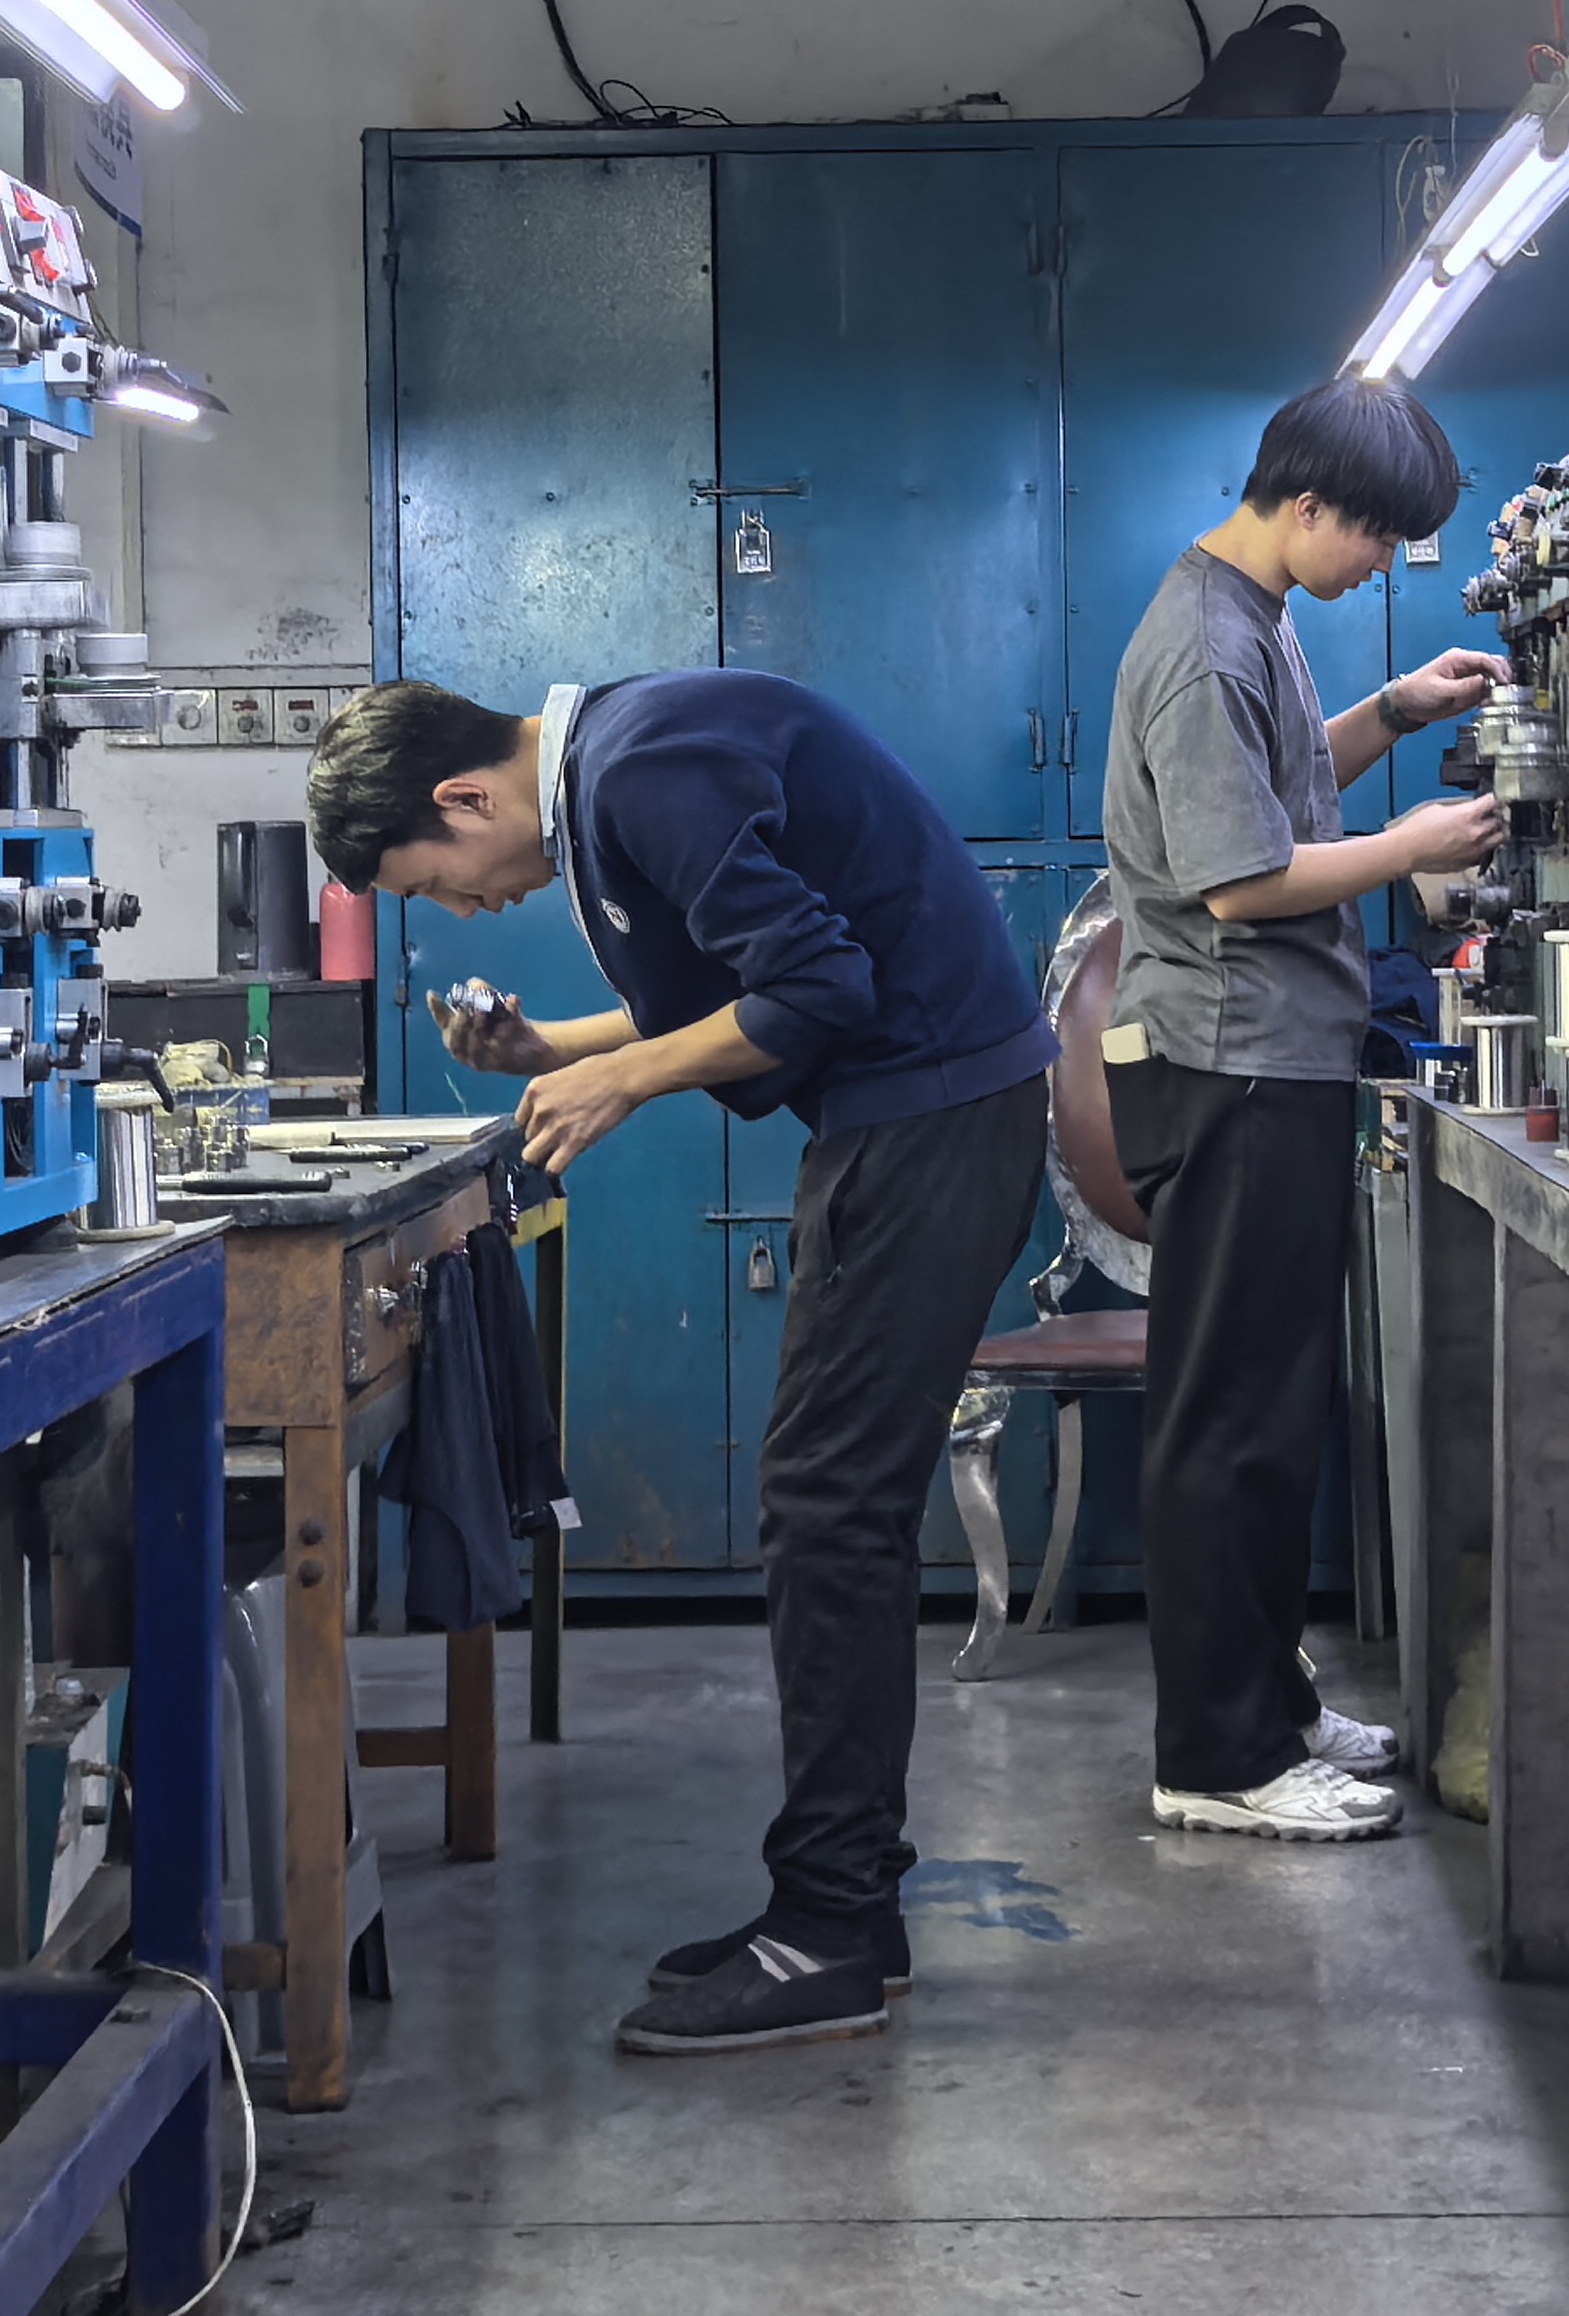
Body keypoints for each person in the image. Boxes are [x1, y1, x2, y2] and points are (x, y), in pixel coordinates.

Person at [306, 671, 1051, 2054]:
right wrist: (555, 1048)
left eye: (435, 881)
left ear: (463, 796)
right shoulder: (621, 766)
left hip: (931, 1118)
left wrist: (623, 1079)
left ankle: (829, 1930)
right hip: (924, 1110)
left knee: (827, 1510)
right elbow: (745, 984)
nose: (464, 912)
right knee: (832, 1505)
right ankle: (846, 1914)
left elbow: (820, 986)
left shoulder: (637, 771)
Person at [1100, 378, 1506, 1843]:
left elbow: (1271, 799)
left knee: (1271, 1410)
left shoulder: (1253, 615)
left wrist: (1393, 712)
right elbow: (1240, 879)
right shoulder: (1207, 645)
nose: (1385, 564)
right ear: (1312, 503)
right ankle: (1218, 1758)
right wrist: (1410, 848)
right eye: (1379, 537)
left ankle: (1268, 1700)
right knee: (1229, 1416)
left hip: (1271, 1059)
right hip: (1232, 1064)